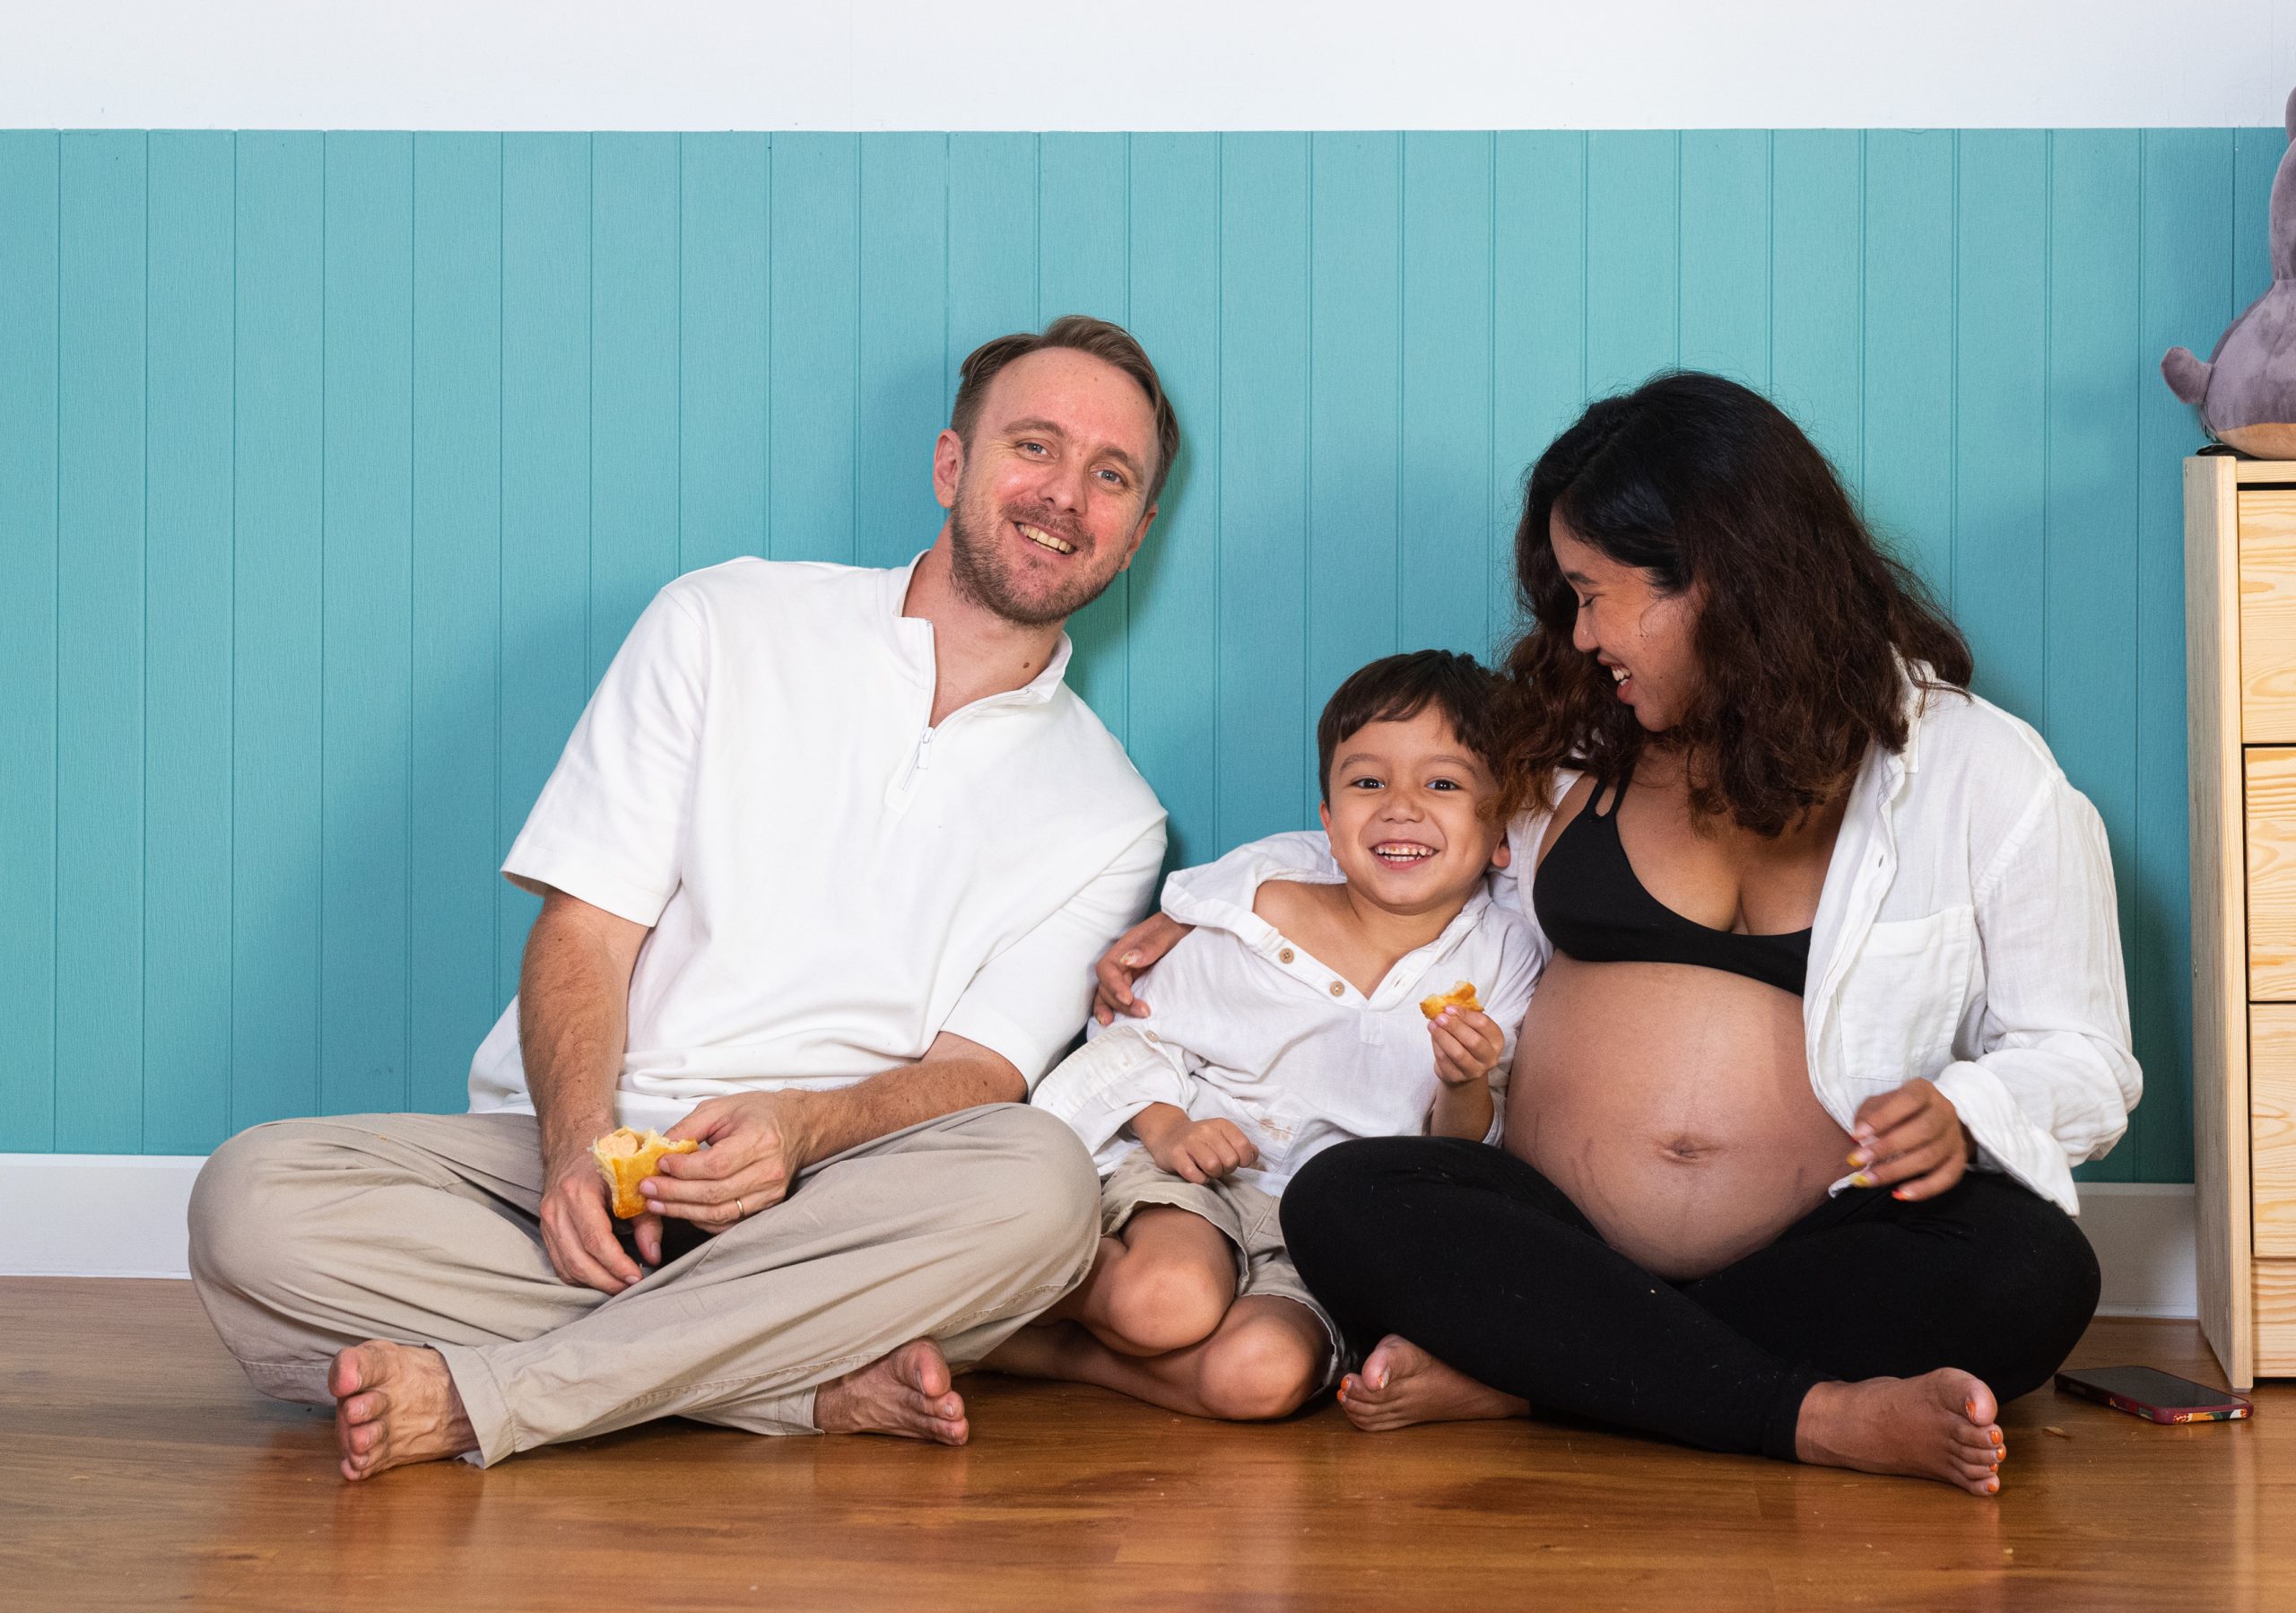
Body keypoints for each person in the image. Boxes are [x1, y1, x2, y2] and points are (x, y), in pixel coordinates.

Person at [1096, 372, 2139, 1495]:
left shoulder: (1976, 770)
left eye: (1596, 593)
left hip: (1819, 1238)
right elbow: (1408, 834)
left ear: (1717, 576)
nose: (1581, 633)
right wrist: (1202, 912)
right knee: (1345, 1197)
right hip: (1554, 1234)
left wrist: (1967, 1110)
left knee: (2034, 1271)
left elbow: (2086, 1062)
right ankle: (1812, 1415)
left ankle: (1548, 1374)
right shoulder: (1571, 749)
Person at [189, 316, 1178, 1478]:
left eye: (1109, 476)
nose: (1065, 494)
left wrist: (801, 1127)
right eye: (1035, 447)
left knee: (1043, 1188)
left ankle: (498, 1397)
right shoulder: (723, 620)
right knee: (247, 1204)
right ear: (952, 466)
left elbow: (980, 1076)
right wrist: (573, 1151)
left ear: (1137, 533)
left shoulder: (1116, 816)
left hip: (834, 1200)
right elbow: (586, 932)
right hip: (578, 1157)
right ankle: (789, 1389)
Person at [997, 651, 1536, 1421]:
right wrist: (1172, 1128)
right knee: (1167, 1305)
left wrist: (1464, 1081)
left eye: (1443, 784)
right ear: (1326, 818)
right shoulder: (1251, 919)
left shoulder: (1504, 957)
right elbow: (1130, 1041)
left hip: (1319, 1241)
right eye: (1367, 782)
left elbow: (1460, 1152)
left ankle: (1036, 1351)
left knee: (1259, 1376)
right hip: (1192, 1188)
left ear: (1501, 831)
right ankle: (983, 1291)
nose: (1400, 808)